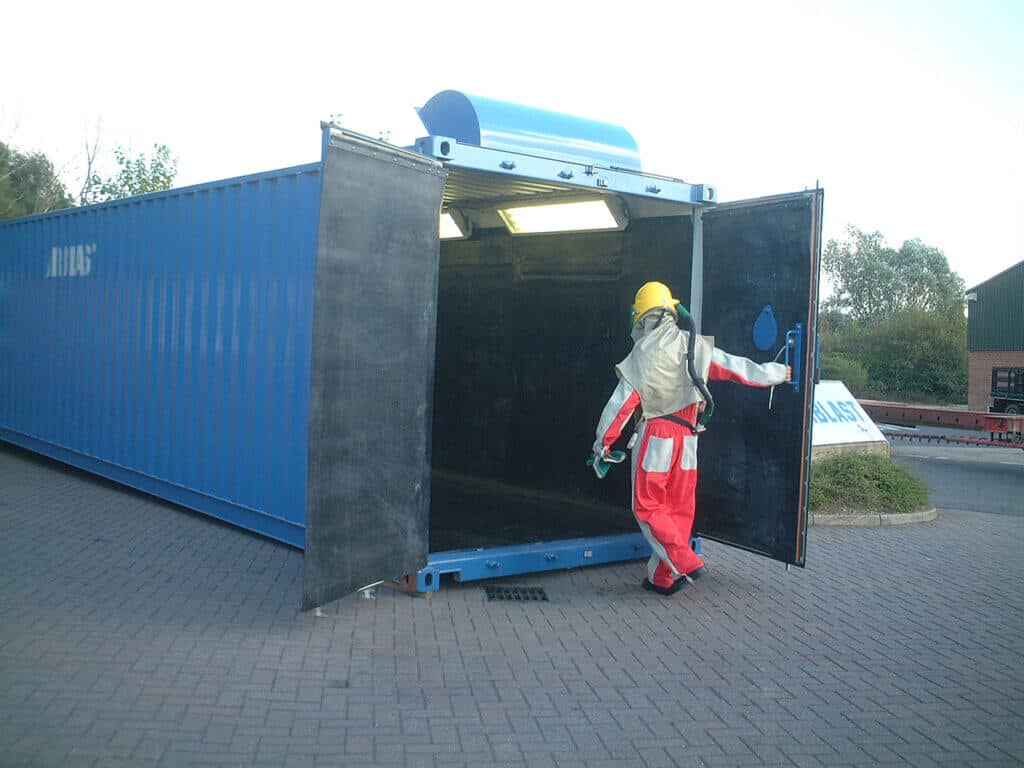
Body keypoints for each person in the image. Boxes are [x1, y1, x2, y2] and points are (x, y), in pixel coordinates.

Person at [590, 281, 790, 596]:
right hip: (688, 439)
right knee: (678, 509)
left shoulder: (642, 353)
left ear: (640, 316)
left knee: (649, 507)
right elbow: (735, 367)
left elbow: (622, 405)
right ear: (671, 310)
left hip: (656, 435)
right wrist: (775, 373)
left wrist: (602, 444)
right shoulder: (692, 342)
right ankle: (662, 579)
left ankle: (684, 561)